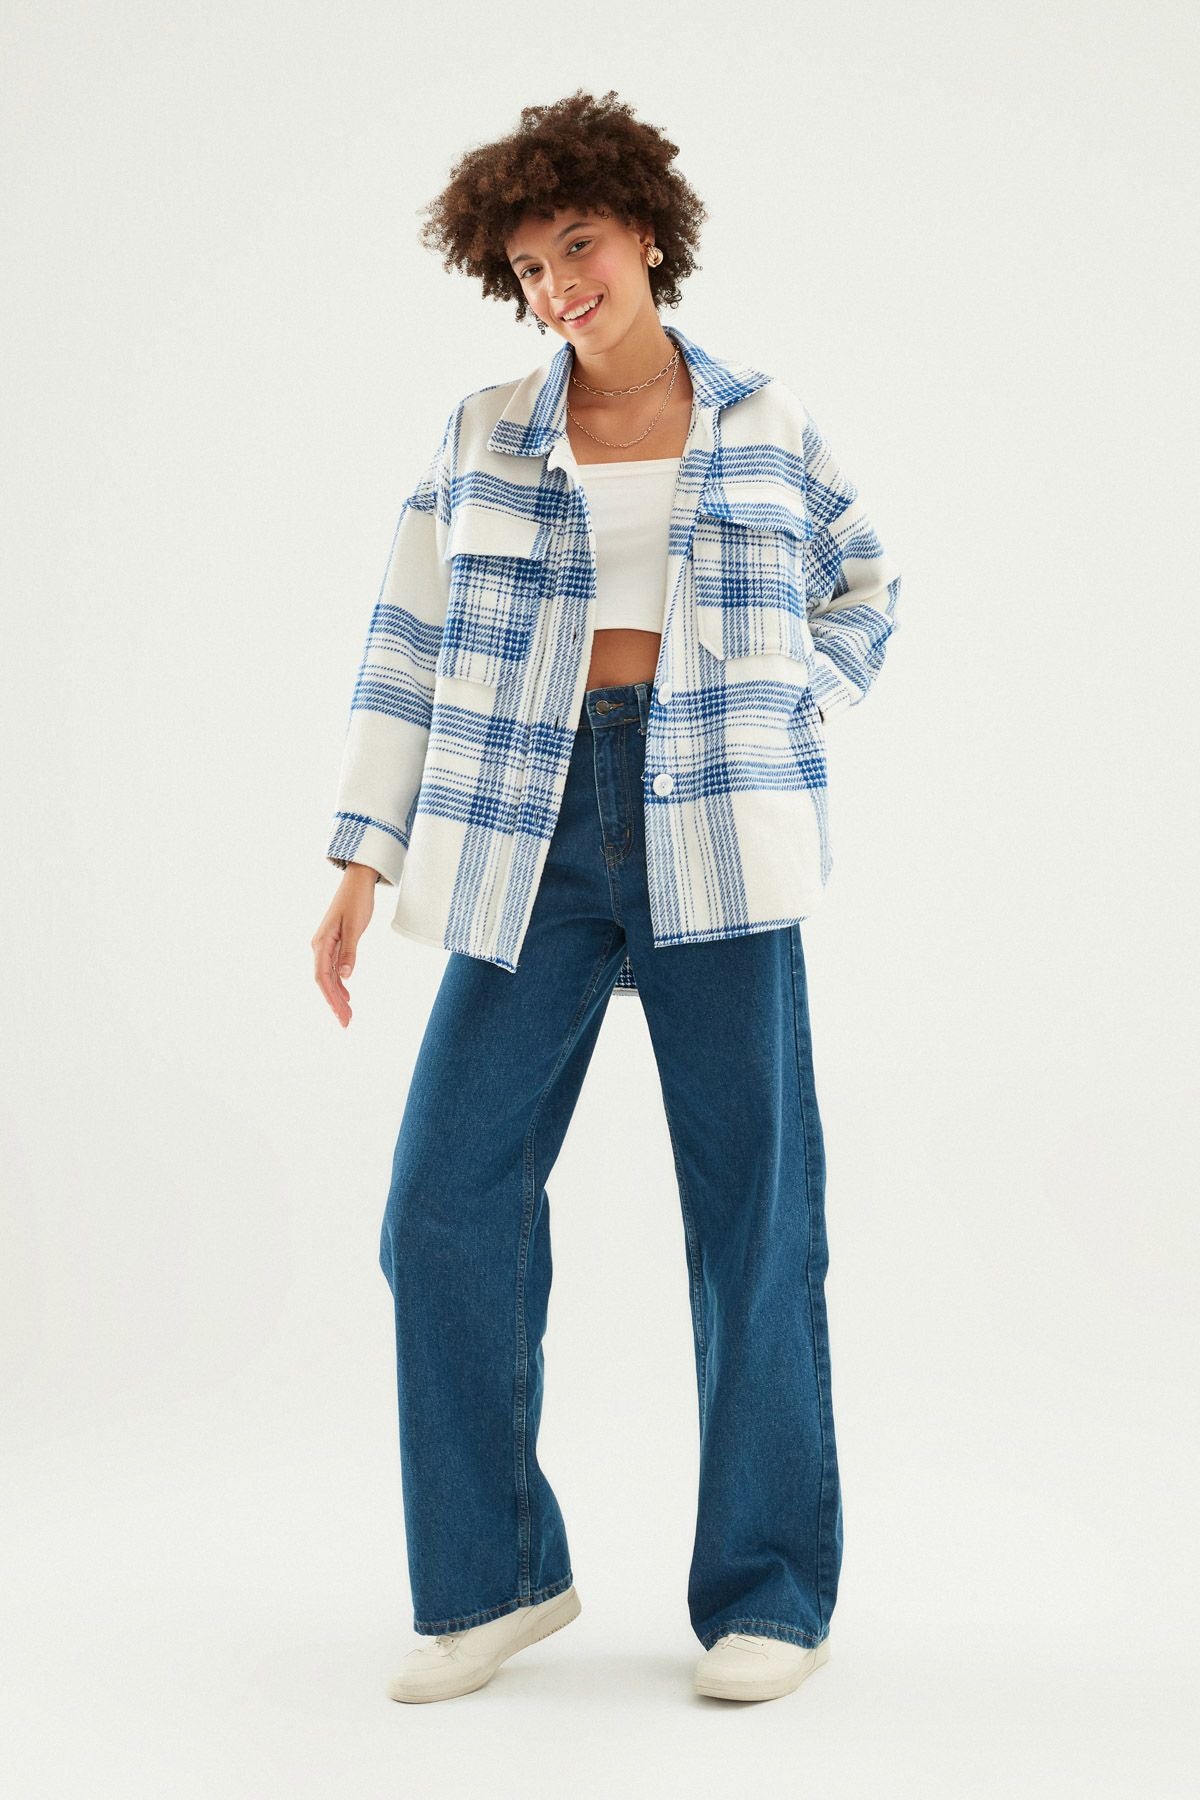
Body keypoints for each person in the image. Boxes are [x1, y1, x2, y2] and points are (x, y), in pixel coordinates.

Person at [311, 89, 902, 1707]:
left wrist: (779, 717)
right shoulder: (485, 433)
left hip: (716, 818)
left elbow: (865, 586)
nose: (560, 286)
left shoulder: (764, 420)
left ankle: (771, 1594)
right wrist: (362, 854)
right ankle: (496, 1577)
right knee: (442, 1202)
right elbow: (405, 640)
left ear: (645, 230)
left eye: (579, 246)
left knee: (755, 1214)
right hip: (532, 824)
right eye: (528, 268)